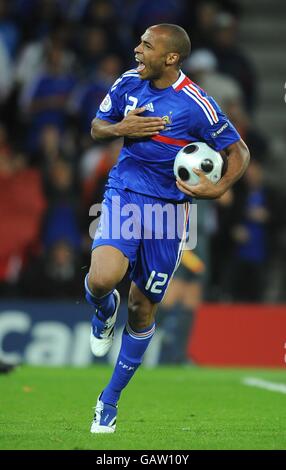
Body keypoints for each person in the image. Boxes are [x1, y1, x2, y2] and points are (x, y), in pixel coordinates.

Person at [86, 23, 250, 433]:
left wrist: (219, 186)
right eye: (139, 41)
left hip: (170, 212)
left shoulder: (197, 104)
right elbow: (96, 127)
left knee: (142, 307)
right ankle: (103, 312)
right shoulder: (127, 83)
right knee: (103, 278)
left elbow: (237, 150)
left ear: (171, 57)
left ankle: (109, 400)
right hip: (124, 193)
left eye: (146, 45)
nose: (136, 49)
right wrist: (121, 128)